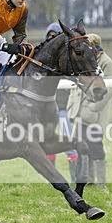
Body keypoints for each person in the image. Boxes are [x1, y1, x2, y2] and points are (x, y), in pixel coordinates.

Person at [67, 33, 112, 188]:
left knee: (95, 148)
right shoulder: (88, 60)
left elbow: (111, 88)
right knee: (82, 146)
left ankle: (102, 183)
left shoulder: (107, 63)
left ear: (94, 46)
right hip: (80, 112)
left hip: (95, 114)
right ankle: (88, 180)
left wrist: (93, 108)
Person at [44, 22, 79, 182]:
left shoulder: (67, 60)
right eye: (49, 36)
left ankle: (75, 179)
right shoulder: (44, 59)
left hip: (63, 108)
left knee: (68, 145)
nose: (51, 39)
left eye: (54, 36)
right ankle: (53, 179)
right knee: (47, 143)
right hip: (48, 110)